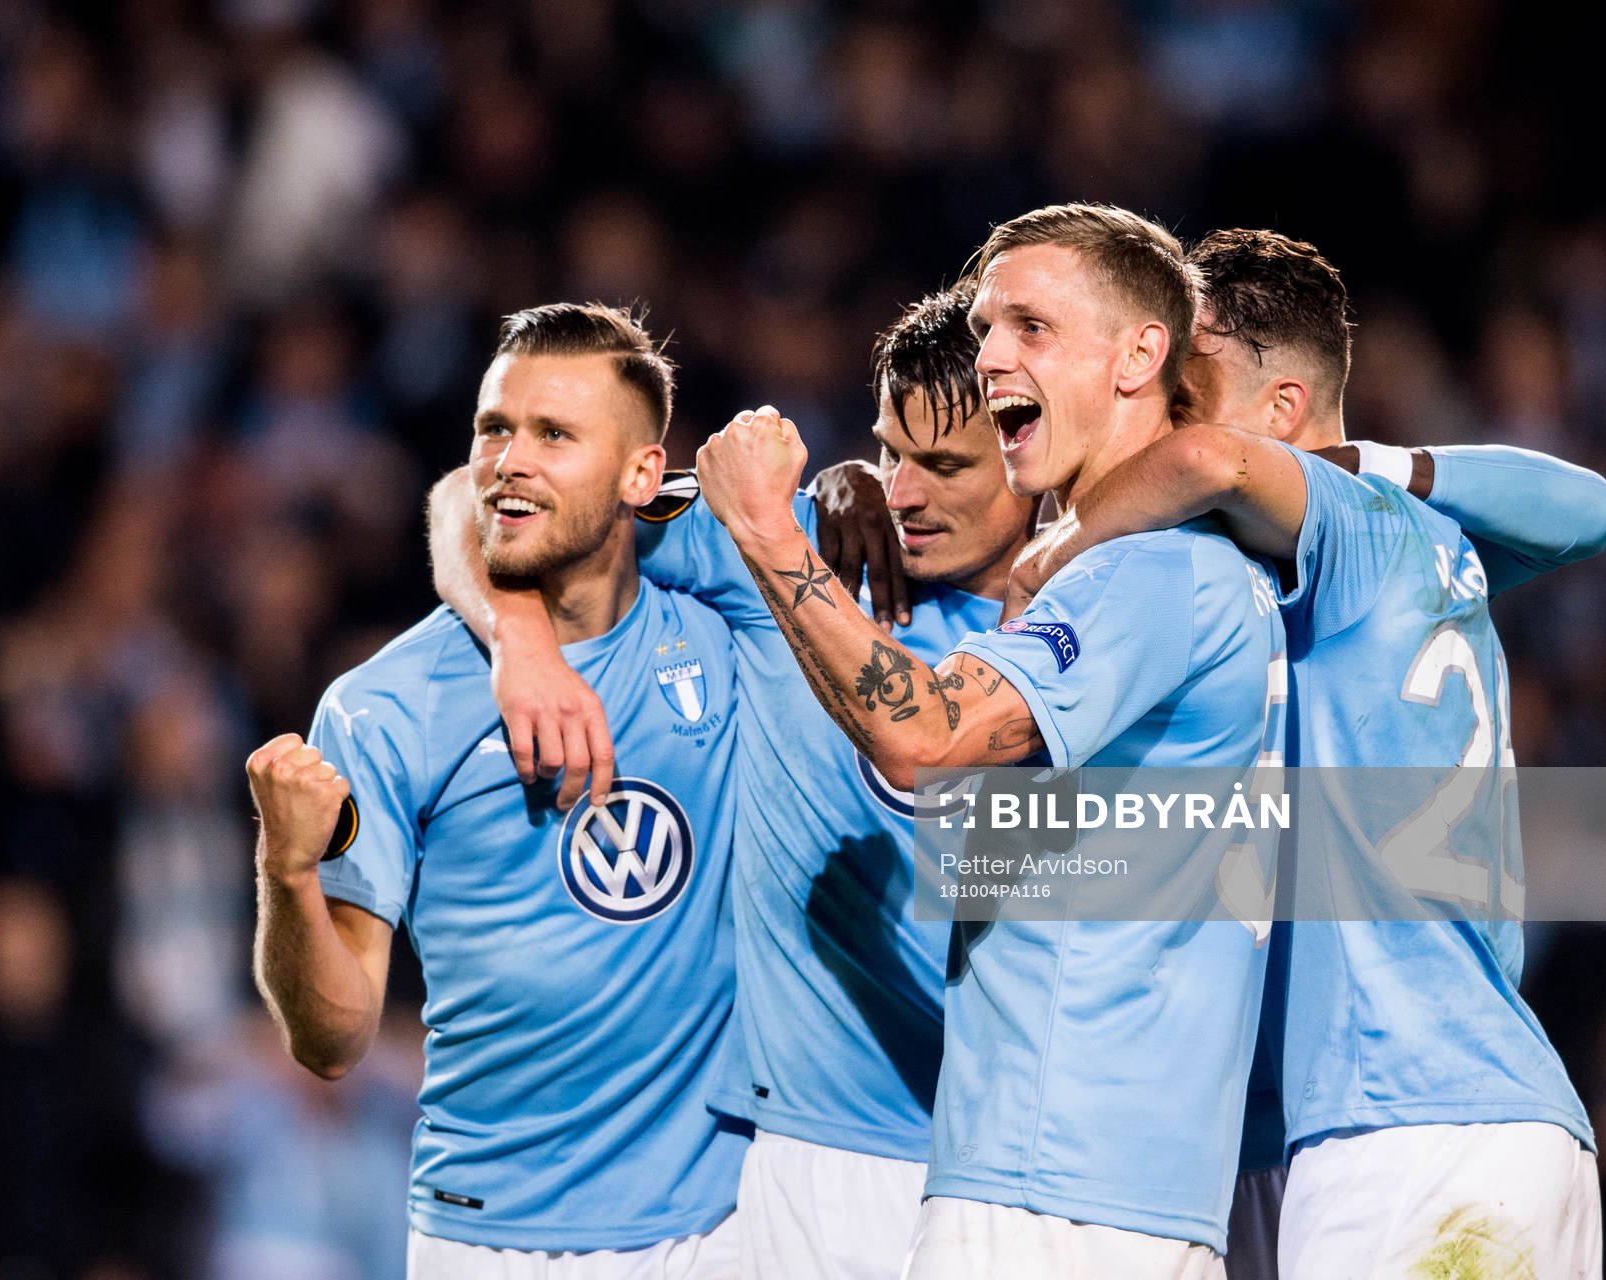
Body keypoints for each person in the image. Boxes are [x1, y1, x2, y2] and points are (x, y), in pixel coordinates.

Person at [1011, 228, 1606, 1280]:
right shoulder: (1373, 553)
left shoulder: (1353, 531)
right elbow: (1585, 511)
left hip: (1413, 1117)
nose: (1160, 430)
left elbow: (1207, 461)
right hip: (1382, 1116)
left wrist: (1054, 553)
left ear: (1283, 413)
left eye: (1183, 396)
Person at [699, 203, 1288, 1278]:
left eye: (1031, 327)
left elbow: (928, 738)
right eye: (989, 326)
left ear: (1140, 354)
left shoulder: (1141, 574)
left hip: (1050, 1191)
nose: (994, 353)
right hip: (1115, 1180)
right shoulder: (1189, 568)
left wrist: (772, 534)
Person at [430, 286, 1039, 1279]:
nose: (906, 493)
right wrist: (521, 637)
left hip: (1023, 1163)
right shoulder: (793, 543)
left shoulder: (1104, 622)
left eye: (947, 465)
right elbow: (488, 497)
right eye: (891, 453)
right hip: (813, 1152)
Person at [248, 302, 747, 1278]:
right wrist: (288, 868)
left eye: (554, 433)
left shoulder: (732, 618)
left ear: (642, 474)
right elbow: (335, 1036)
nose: (510, 459)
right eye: (494, 428)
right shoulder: (381, 704)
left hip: (719, 1230)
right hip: (488, 1234)